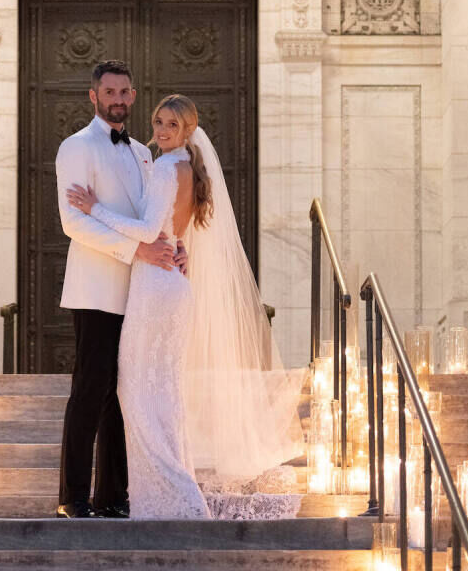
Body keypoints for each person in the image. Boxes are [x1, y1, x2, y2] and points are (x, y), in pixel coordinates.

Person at [67, 94, 303, 520]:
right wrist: (177, 248)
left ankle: (174, 492)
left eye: (171, 125)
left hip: (155, 287)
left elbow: (144, 229)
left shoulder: (163, 166)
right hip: (171, 283)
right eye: (158, 121)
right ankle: (162, 490)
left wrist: (94, 207)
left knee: (136, 391)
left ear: (188, 130)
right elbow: (172, 231)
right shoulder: (187, 168)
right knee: (161, 391)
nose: (160, 130)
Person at [54, 60, 185, 520]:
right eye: (109, 92)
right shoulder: (76, 147)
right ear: (94, 96)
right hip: (96, 289)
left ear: (132, 96)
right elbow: (74, 222)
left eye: (125, 92)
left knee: (125, 394)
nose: (118, 99)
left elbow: (154, 217)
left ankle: (113, 495)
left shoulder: (144, 153)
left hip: (143, 291)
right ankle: (72, 496)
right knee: (91, 390)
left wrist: (175, 248)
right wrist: (138, 253)